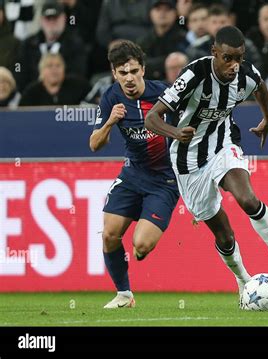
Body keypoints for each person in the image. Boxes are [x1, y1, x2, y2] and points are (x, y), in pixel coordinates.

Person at [145, 26, 268, 304]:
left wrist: (267, 118)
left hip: (224, 144)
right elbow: (151, 118)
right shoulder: (193, 75)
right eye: (227, 58)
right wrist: (176, 132)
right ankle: (243, 279)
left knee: (248, 199)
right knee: (224, 235)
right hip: (187, 161)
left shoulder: (246, 74)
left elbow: (261, 88)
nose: (234, 65)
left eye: (238, 58)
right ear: (214, 53)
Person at [89, 40, 180, 309]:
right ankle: (124, 295)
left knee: (141, 245)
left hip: (164, 180)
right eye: (122, 72)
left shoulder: (164, 93)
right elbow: (94, 144)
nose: (128, 78)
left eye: (133, 71)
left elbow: (191, 127)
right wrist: (109, 122)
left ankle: (141, 249)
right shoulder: (110, 97)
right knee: (109, 234)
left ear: (143, 70)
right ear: (114, 73)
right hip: (132, 175)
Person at [19, 52, 90, 106]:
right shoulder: (31, 92)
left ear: (64, 69)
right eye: (49, 66)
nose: (54, 69)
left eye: (58, 65)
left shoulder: (79, 86)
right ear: (41, 71)